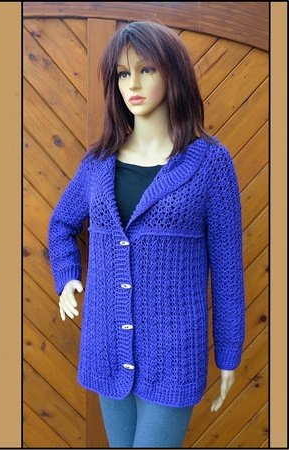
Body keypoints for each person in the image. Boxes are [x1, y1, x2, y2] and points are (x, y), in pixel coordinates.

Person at [48, 21, 245, 448]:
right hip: (106, 343)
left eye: (146, 69)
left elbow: (227, 267)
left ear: (173, 74)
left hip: (174, 352)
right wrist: (67, 277)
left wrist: (228, 350)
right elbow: (61, 224)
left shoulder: (210, 163)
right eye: (123, 73)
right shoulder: (98, 162)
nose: (132, 84)